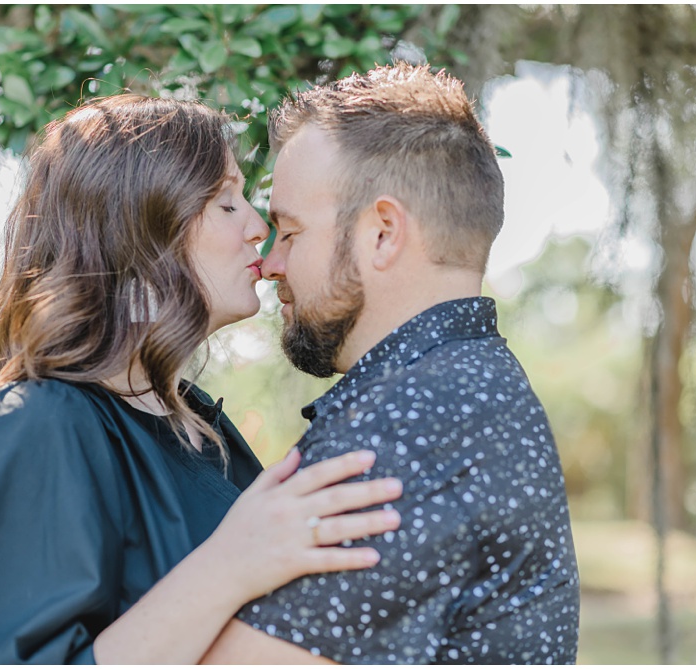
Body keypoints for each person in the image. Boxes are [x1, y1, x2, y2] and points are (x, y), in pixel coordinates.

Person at [0, 95, 406, 664]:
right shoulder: (38, 421)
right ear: (143, 228)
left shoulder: (199, 424)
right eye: (226, 202)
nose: (258, 227)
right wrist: (230, 566)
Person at [201, 63, 581, 663]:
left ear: (382, 232)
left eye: (290, 232)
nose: (270, 264)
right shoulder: (472, 388)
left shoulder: (409, 425)